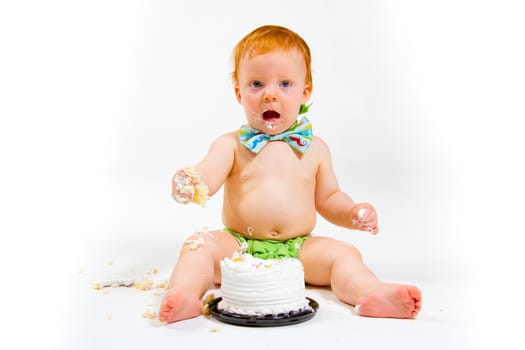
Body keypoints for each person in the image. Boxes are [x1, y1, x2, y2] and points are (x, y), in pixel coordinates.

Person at [159, 25, 422, 323]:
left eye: (285, 84)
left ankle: (371, 293)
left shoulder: (316, 149)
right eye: (256, 84)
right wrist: (189, 182)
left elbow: (329, 198)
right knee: (198, 246)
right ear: (239, 93)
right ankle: (184, 296)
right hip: (237, 246)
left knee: (343, 255)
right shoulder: (230, 145)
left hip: (299, 249)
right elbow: (207, 175)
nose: (270, 95)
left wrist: (351, 212)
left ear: (304, 91)